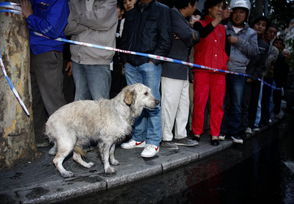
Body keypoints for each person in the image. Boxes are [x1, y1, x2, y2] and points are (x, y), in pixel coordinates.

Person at [120, 0, 171, 158]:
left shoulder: (162, 9)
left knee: (152, 103)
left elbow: (165, 38)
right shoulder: (133, 10)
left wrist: (153, 60)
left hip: (149, 64)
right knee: (135, 103)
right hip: (131, 64)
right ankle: (138, 138)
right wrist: (125, 59)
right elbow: (126, 35)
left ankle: (154, 142)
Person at [21, 0, 69, 147]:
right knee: (34, 97)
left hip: (47, 51)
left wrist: (30, 17)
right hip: (29, 50)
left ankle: (65, 140)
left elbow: (53, 30)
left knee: (52, 97)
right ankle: (40, 137)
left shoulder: (59, 2)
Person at [161, 0, 199, 148]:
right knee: (169, 104)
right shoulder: (173, 14)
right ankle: (166, 138)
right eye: (194, 4)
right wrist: (189, 32)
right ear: (188, 4)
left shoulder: (181, 19)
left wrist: (189, 33)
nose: (195, 8)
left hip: (182, 69)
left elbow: (192, 36)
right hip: (171, 68)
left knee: (183, 104)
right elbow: (189, 36)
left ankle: (180, 135)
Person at [191, 0, 230, 146]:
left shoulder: (223, 29)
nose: (220, 10)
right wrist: (219, 19)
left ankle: (215, 134)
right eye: (218, 7)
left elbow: (227, 49)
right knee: (200, 102)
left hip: (219, 73)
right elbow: (202, 35)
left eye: (222, 7)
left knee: (217, 104)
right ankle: (196, 132)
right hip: (202, 70)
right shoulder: (199, 24)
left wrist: (223, 61)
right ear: (209, 9)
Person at [221, 0, 259, 144]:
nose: (238, 15)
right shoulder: (224, 28)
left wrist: (238, 41)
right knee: (223, 103)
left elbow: (254, 52)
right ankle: (222, 131)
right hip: (222, 71)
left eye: (241, 12)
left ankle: (235, 132)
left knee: (237, 104)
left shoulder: (251, 33)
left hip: (239, 73)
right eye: (235, 11)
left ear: (247, 14)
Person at [65, 0, 117, 101]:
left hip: (98, 60)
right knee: (80, 103)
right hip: (77, 59)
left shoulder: (109, 1)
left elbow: (101, 21)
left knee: (100, 106)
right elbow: (66, 27)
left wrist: (78, 18)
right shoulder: (74, 1)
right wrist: (91, 22)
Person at [242, 16, 269, 135]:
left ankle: (250, 124)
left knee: (253, 102)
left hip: (255, 78)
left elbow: (262, 65)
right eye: (258, 24)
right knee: (240, 102)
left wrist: (253, 76)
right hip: (241, 73)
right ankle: (239, 124)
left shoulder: (264, 45)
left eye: (263, 25)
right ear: (253, 25)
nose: (260, 27)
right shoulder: (245, 38)